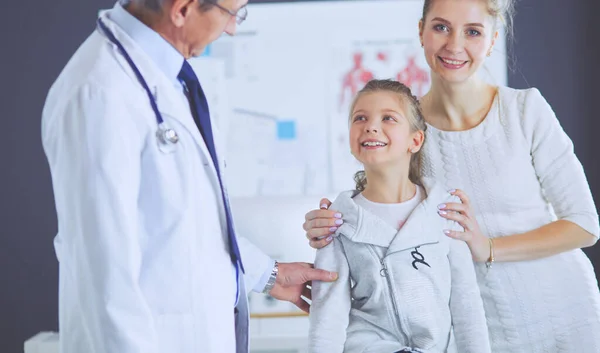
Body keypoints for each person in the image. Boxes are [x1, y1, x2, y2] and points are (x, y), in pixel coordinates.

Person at [303, 0, 600, 352]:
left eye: (473, 32)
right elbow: (382, 207)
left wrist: (488, 248)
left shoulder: (524, 110)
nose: (454, 45)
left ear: (491, 41)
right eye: (441, 27)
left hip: (568, 317)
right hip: (478, 333)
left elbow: (584, 225)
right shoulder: (406, 132)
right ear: (421, 32)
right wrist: (332, 222)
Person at [41, 1, 337, 353]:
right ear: (182, 9)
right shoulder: (99, 93)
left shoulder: (165, 78)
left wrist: (268, 274)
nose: (232, 29)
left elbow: (187, 224)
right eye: (231, 13)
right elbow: (104, 276)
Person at [309, 79, 491, 353]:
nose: (370, 126)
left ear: (415, 140)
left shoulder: (445, 212)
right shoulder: (338, 223)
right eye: (360, 118)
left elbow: (467, 306)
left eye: (388, 118)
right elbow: (327, 318)